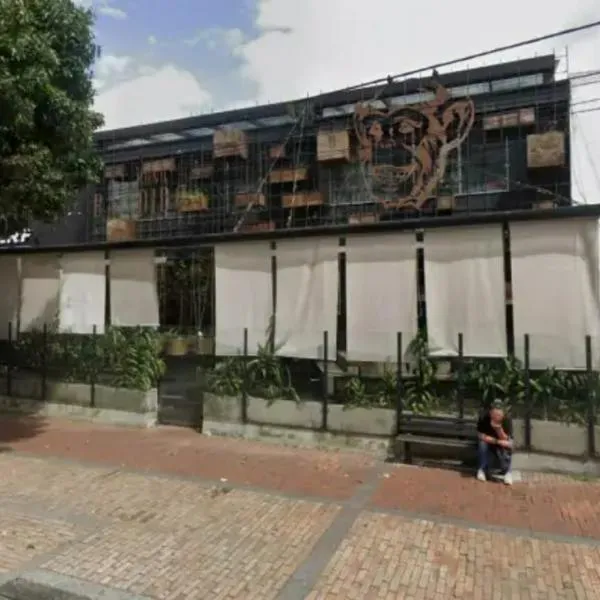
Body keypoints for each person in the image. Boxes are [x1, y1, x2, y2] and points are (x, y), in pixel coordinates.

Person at [476, 401, 513, 485]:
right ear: (490, 413)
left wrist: (498, 429)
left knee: (509, 445)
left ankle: (508, 473)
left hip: (501, 440)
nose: (496, 417)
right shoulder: (484, 417)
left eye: (499, 415)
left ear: (503, 414)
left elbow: (506, 439)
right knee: (482, 444)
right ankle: (482, 470)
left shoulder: (507, 419)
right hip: (488, 441)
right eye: (494, 414)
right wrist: (496, 441)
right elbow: (480, 435)